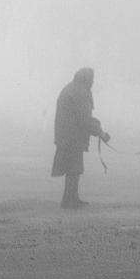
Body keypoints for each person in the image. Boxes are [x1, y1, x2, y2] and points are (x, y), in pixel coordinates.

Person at [51, 67, 110, 209]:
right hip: (73, 136)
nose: (93, 82)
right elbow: (84, 119)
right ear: (86, 79)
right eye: (92, 79)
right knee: (74, 168)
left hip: (66, 134)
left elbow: (80, 116)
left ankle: (71, 197)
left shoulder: (71, 88)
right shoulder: (81, 92)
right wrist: (100, 133)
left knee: (73, 168)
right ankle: (69, 200)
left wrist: (94, 124)